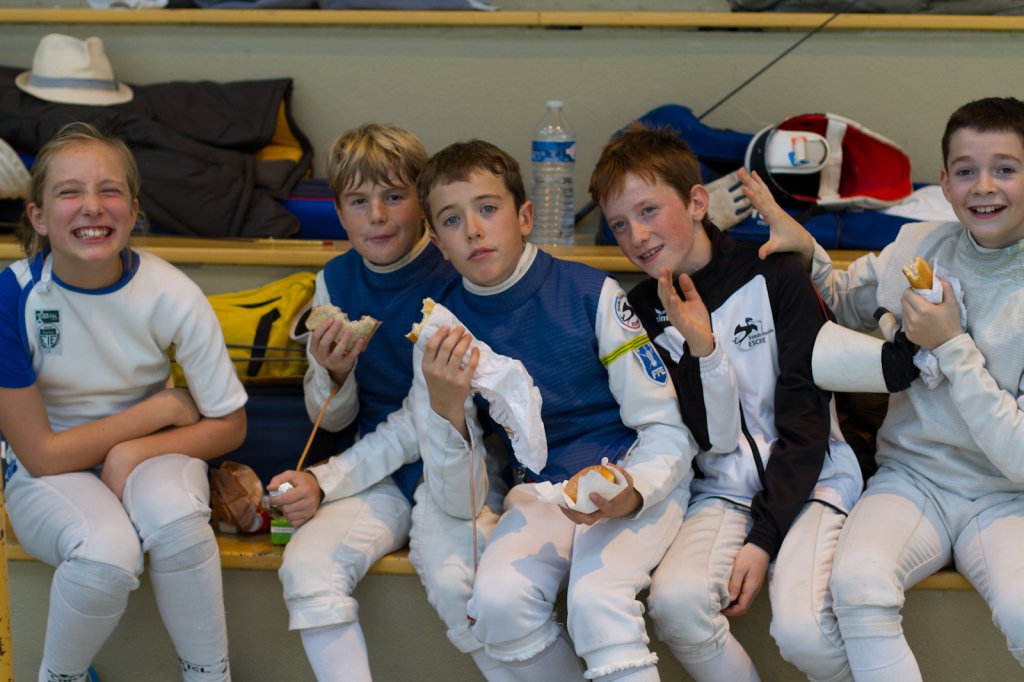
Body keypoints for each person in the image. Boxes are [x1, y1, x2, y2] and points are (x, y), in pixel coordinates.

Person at [748, 96, 1024, 681]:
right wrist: (808, 250)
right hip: (912, 479)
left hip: (1008, 496)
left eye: (1005, 168)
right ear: (944, 183)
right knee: (858, 585)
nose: (984, 186)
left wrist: (952, 345)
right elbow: (842, 300)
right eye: (966, 170)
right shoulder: (916, 245)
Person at [588, 123, 863, 682]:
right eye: (619, 224)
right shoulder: (639, 312)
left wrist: (764, 539)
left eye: (648, 210)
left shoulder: (773, 271)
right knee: (675, 604)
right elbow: (707, 438)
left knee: (806, 632)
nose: (637, 235)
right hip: (720, 490)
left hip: (815, 477)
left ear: (696, 202)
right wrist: (701, 350)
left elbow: (807, 420)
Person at [413, 139, 696, 681]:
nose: (472, 229)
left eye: (487, 208)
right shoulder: (441, 331)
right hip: (541, 492)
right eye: (451, 219)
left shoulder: (592, 293)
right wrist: (447, 412)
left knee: (596, 601)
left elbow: (666, 426)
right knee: (497, 604)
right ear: (437, 242)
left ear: (525, 217)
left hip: (628, 477)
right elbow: (461, 502)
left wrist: (633, 489)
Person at [264, 123, 512, 681]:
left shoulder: (455, 271)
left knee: (463, 584)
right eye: (358, 201)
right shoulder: (334, 280)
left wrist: (325, 479)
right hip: (375, 471)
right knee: (306, 568)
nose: (376, 215)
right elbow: (333, 417)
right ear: (339, 211)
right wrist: (334, 371)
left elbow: (424, 421)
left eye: (394, 196)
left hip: (457, 467)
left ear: (422, 204)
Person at [0, 122, 248, 682]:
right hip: (45, 476)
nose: (92, 206)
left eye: (109, 190)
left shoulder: (172, 291)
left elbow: (229, 423)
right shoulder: (13, 295)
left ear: (133, 211)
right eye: (69, 192)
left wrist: (132, 452)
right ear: (38, 216)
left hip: (147, 457)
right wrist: (156, 413)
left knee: (178, 522)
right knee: (107, 553)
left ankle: (210, 677)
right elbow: (41, 454)